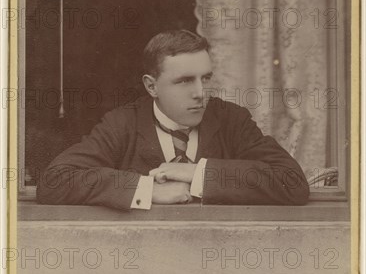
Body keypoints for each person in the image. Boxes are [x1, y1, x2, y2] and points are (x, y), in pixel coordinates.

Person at [36, 30, 310, 210]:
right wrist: (147, 189)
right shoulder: (123, 124)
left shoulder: (230, 120)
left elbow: (292, 182)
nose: (201, 94)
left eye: (205, 78)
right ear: (151, 86)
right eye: (184, 81)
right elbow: (54, 181)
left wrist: (196, 173)